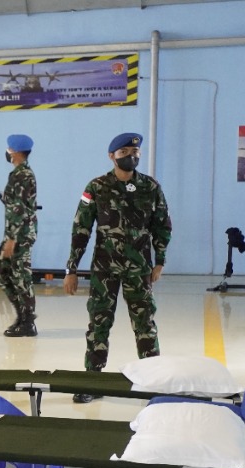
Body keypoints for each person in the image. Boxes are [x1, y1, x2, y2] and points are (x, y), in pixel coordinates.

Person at [62, 132, 172, 403]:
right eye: (124, 153)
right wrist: (72, 269)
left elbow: (162, 225)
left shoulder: (151, 187)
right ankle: (92, 382)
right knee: (99, 323)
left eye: (135, 153)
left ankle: (153, 381)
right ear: (112, 156)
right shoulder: (96, 187)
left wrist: (160, 261)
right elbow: (81, 228)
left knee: (145, 324)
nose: (131, 157)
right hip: (105, 268)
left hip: (139, 268)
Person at [0, 134, 38, 337]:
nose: (7, 151)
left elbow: (20, 209)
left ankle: (28, 322)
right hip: (14, 233)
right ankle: (22, 317)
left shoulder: (22, 175)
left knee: (21, 278)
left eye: (9, 148)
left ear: (16, 152)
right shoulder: (20, 174)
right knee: (2, 272)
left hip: (19, 235)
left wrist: (11, 239)